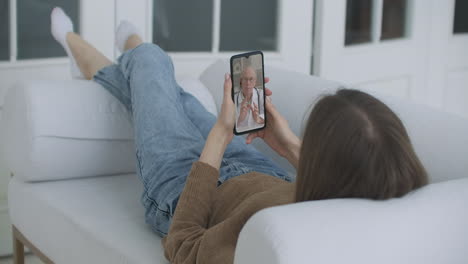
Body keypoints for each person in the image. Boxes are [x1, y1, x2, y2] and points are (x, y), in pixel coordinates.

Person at [51, 7, 428, 264]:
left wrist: (220, 132)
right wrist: (288, 145)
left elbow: (183, 246)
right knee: (171, 94)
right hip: (254, 167)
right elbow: (331, 191)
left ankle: (90, 43)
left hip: (183, 187)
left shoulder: (271, 235)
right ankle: (125, 47)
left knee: (151, 65)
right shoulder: (373, 201)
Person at [234, 66, 265, 131]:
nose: (248, 83)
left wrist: (259, 119)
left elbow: (269, 116)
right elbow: (229, 125)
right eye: (245, 79)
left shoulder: (262, 94)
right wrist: (240, 119)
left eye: (251, 79)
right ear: (241, 81)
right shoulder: (233, 99)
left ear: (255, 82)